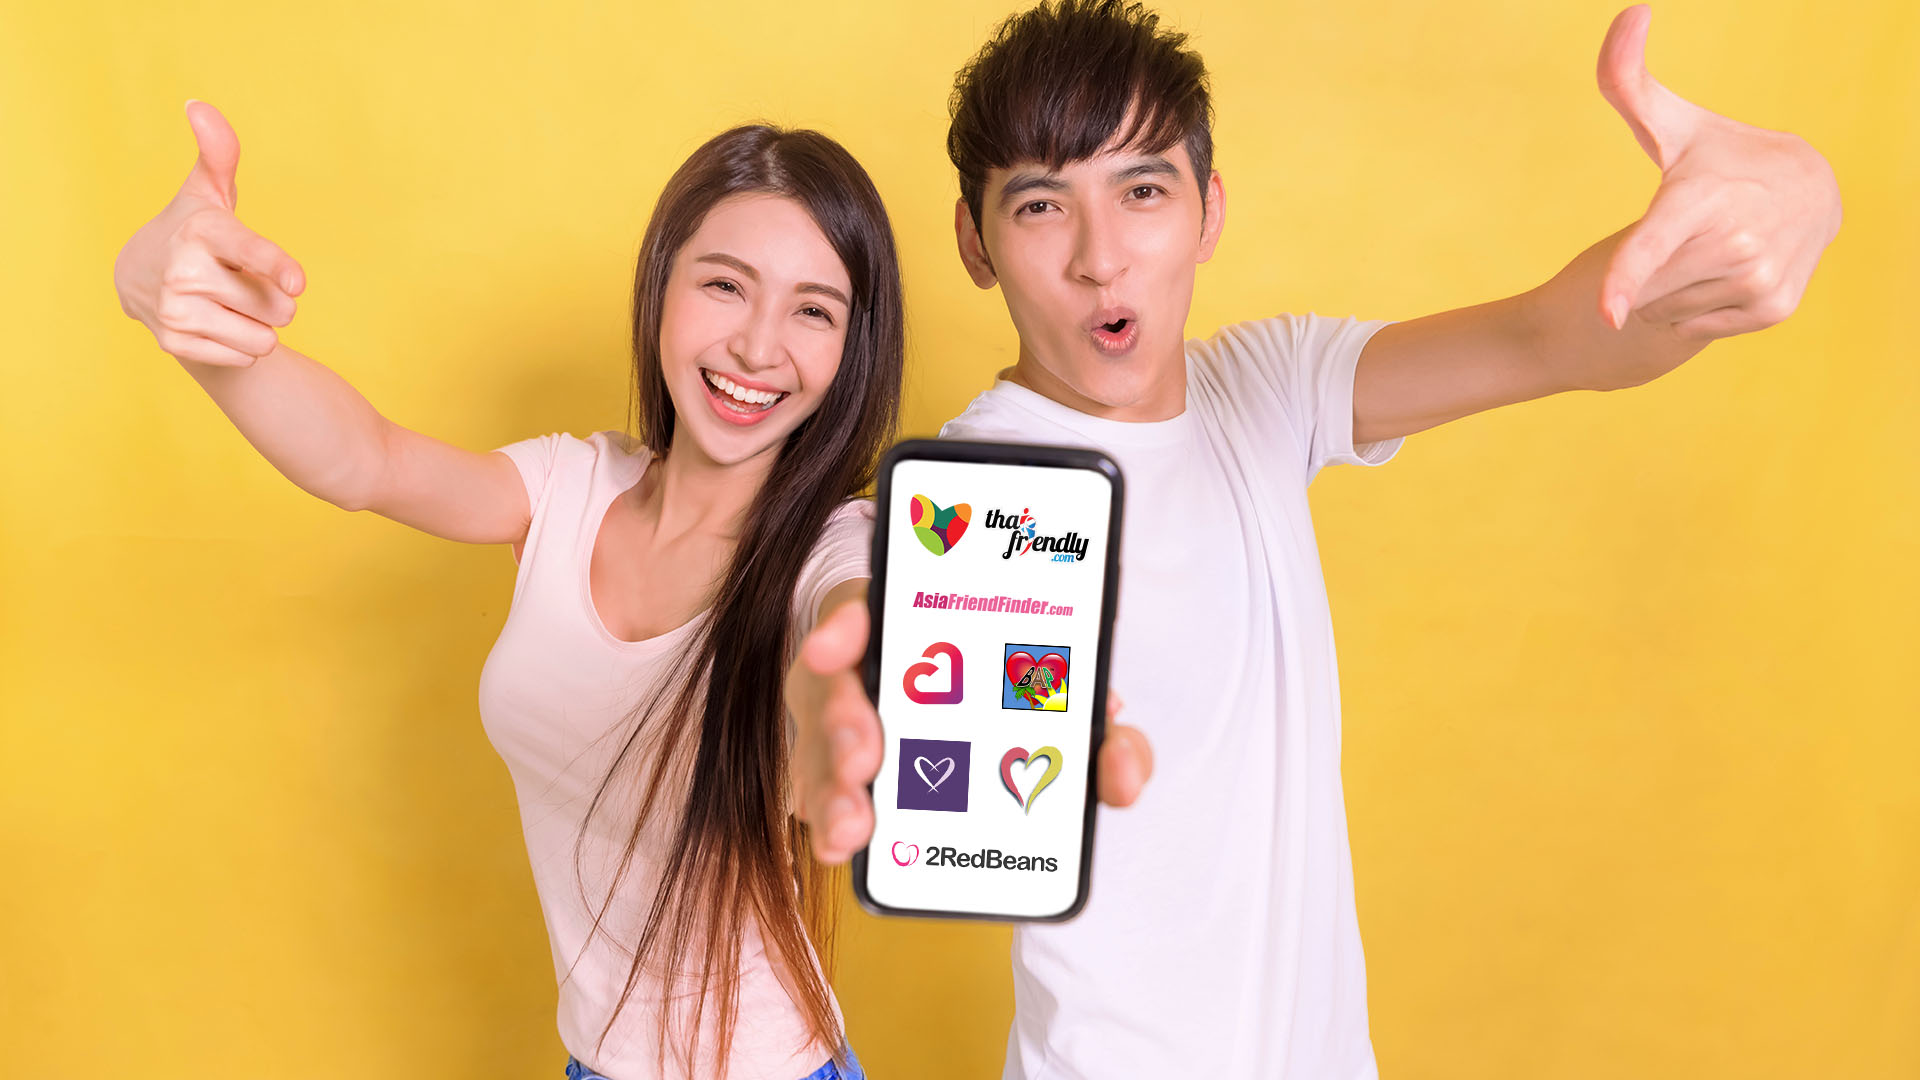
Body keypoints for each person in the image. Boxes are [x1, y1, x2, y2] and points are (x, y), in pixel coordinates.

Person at [784, 2, 1841, 1077]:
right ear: (975, 240)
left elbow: (1559, 333)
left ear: (1208, 214)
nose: (1102, 259)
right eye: (1042, 203)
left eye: (1142, 190)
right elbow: (848, 611)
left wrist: (1794, 194)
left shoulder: (1270, 387)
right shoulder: (978, 489)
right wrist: (835, 687)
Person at [113, 102, 908, 1080]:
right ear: (662, 286)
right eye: (725, 285)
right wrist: (196, 329)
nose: (756, 345)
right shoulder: (571, 486)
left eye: (813, 310)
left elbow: (852, 623)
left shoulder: (835, 545)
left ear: (849, 351)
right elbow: (367, 459)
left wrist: (847, 702)